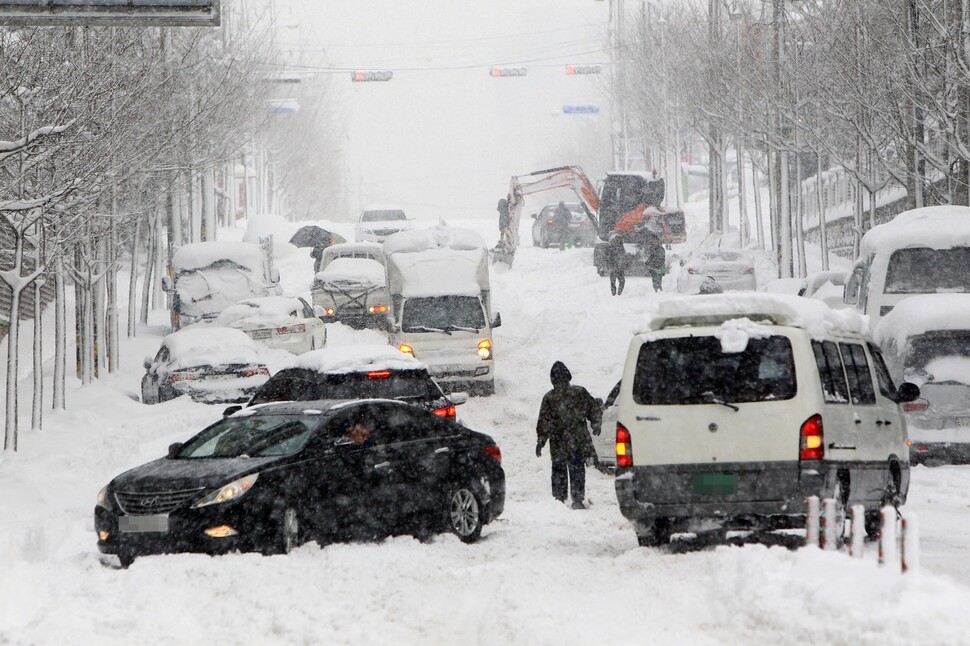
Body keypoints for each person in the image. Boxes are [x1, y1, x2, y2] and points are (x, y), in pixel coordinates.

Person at [536, 361, 603, 509]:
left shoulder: (550, 397)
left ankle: (559, 499)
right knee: (577, 468)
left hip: (558, 441)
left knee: (559, 469)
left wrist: (541, 441)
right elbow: (594, 409)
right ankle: (577, 499)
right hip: (577, 439)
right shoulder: (579, 392)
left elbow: (544, 421)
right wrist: (596, 423)